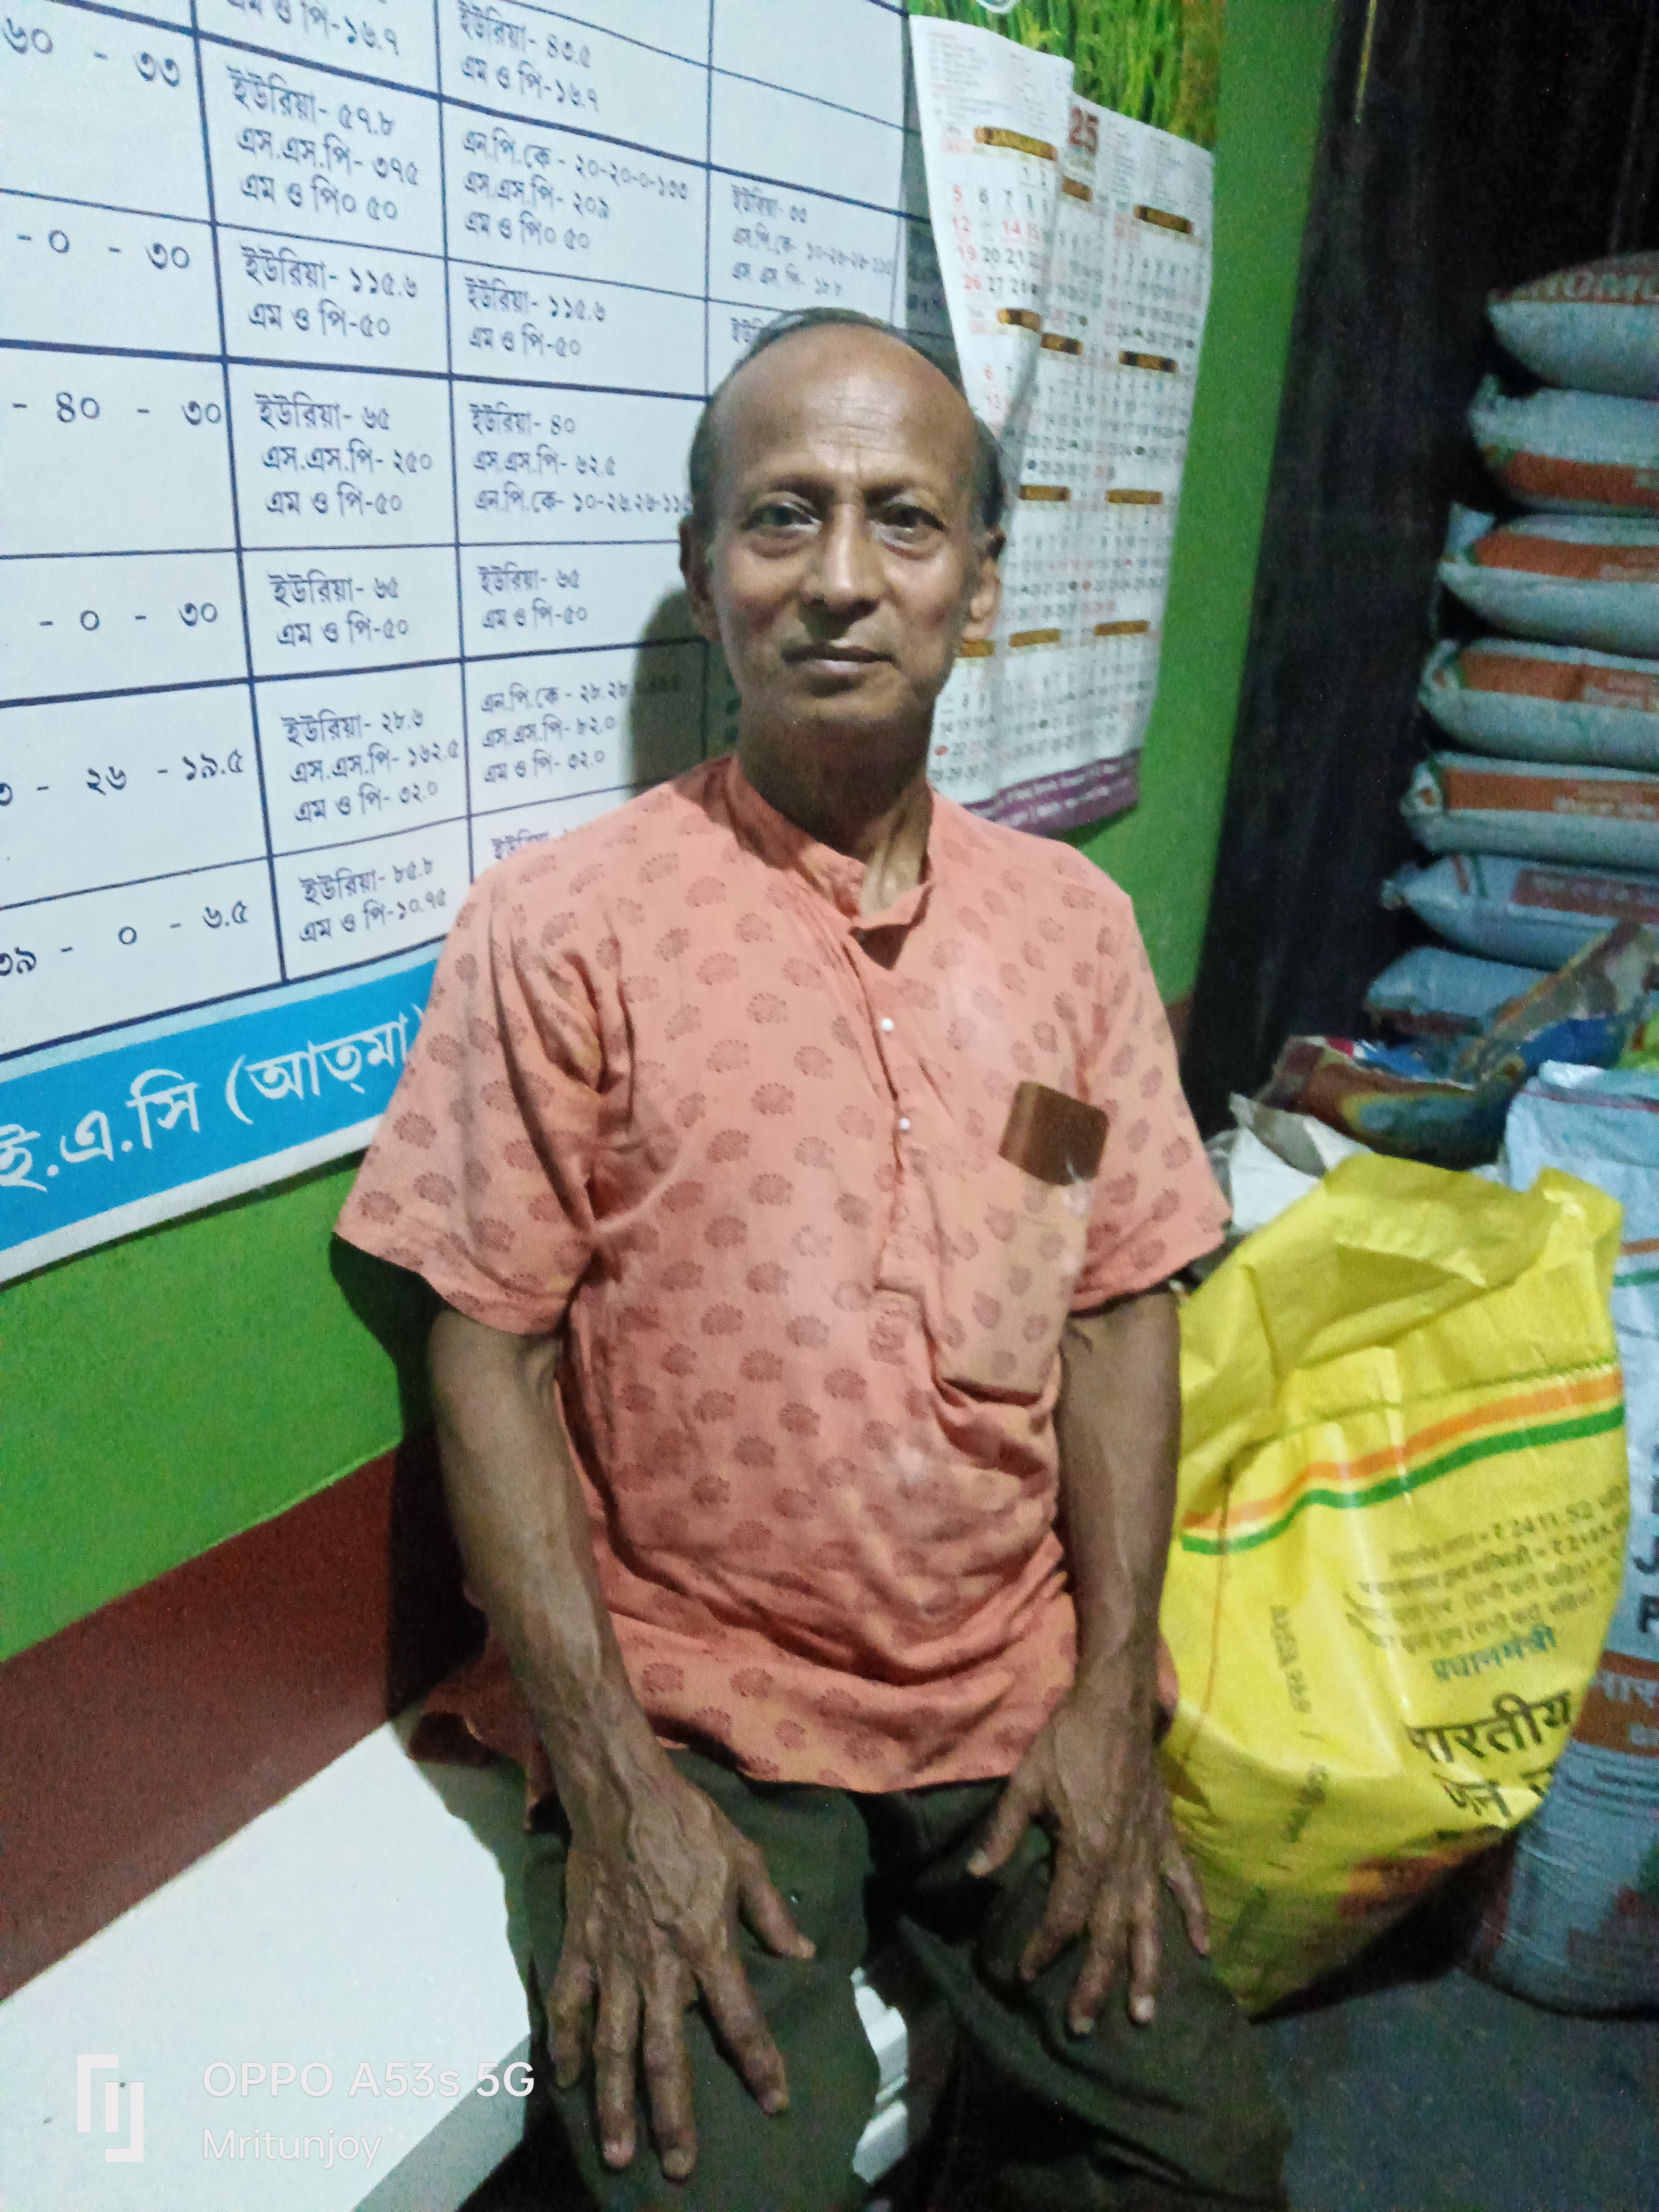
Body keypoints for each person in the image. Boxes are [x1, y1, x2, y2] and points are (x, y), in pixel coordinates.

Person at [337, 308, 1288, 2210]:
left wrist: (1111, 1697)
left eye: (903, 520)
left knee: (1206, 2161)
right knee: (726, 2180)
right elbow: (487, 1350)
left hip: (1010, 1683)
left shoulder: (1073, 936)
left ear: (981, 583)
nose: (841, 576)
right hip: (702, 1703)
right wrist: (615, 1787)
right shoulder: (566, 929)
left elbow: (1113, 1307)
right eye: (783, 516)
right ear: (705, 572)